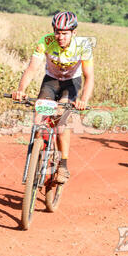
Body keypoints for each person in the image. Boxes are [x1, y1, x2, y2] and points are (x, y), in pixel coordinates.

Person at [12, 11, 94, 184]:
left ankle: (63, 164)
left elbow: (89, 76)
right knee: (38, 119)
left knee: (60, 119)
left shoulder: (83, 45)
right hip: (51, 81)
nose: (60, 36)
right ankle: (37, 154)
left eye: (64, 33)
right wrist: (21, 90)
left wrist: (83, 100)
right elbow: (32, 69)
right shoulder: (45, 41)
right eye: (57, 32)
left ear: (74, 33)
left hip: (72, 83)